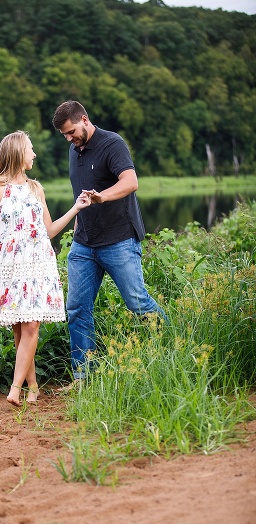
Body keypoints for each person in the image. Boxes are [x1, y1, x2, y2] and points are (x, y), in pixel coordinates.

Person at [52, 100, 166, 386]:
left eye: (71, 132)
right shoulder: (73, 150)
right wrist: (77, 228)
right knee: (77, 309)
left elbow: (130, 181)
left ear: (84, 119)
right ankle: (84, 376)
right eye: (65, 135)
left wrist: (102, 196)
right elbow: (80, 195)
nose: (69, 138)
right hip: (83, 245)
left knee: (138, 303)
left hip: (119, 240)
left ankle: (173, 348)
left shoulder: (112, 143)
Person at [0, 130, 91, 406]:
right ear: (17, 153)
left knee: (31, 325)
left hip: (39, 264)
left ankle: (15, 389)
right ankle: (33, 388)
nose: (34, 154)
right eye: (30, 149)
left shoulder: (35, 188)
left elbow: (48, 230)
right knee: (20, 328)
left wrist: (76, 208)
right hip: (10, 265)